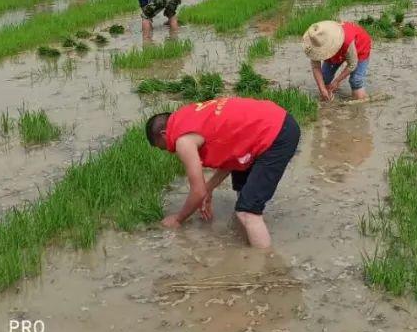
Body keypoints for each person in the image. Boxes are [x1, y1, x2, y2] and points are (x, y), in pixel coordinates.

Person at [146, 97, 300, 249]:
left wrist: (178, 219)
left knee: (247, 211)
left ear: (164, 134)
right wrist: (210, 187)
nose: (167, 151)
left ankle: (264, 267)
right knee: (243, 192)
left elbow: (197, 192)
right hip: (274, 121)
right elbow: (230, 156)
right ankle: (249, 241)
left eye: (161, 147)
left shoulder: (182, 140)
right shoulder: (189, 115)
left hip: (276, 135)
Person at [303, 20, 372, 102]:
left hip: (359, 47)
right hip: (337, 49)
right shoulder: (314, 40)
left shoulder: (345, 39)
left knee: (356, 81)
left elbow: (352, 64)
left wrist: (337, 81)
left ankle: (362, 103)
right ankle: (329, 99)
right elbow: (315, 67)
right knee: (324, 78)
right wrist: (322, 89)